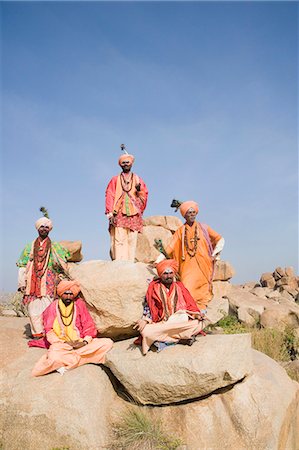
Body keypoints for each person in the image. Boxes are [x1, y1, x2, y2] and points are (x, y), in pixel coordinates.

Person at [32, 280, 113, 377]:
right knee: (54, 356)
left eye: (71, 294)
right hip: (62, 344)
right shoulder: (53, 306)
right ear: (61, 294)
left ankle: (68, 359)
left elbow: (88, 325)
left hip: (80, 343)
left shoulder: (79, 304)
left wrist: (84, 342)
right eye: (66, 293)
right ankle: (79, 358)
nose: (69, 296)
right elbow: (49, 330)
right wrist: (63, 343)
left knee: (108, 343)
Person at [156, 200, 224, 311]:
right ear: (184, 215)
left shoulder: (204, 228)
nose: (192, 214)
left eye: (193, 212)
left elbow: (220, 239)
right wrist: (158, 259)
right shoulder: (180, 231)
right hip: (187, 267)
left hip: (204, 265)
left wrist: (215, 254)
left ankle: (202, 312)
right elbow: (170, 247)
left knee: (203, 289)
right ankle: (191, 311)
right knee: (188, 288)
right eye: (189, 213)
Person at [134, 259, 207, 355]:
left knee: (198, 323)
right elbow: (150, 307)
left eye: (170, 273)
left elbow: (190, 306)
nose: (168, 276)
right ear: (160, 275)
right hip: (163, 323)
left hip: (180, 321)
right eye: (165, 273)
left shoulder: (180, 286)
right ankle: (180, 339)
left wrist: (197, 316)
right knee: (146, 331)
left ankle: (167, 340)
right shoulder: (154, 287)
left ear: (174, 273)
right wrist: (145, 320)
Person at [16, 211, 70, 338]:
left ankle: (48, 333)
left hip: (49, 280)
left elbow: (64, 259)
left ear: (49, 230)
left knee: (48, 307)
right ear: (38, 228)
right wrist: (21, 282)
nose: (44, 229)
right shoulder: (29, 246)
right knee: (33, 308)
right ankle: (37, 333)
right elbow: (22, 265)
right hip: (31, 280)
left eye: (47, 227)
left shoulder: (55, 246)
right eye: (42, 227)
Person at [105, 147, 148, 261]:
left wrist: (139, 191)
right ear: (120, 165)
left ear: (131, 164)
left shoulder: (138, 179)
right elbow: (110, 194)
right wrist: (109, 212)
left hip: (133, 212)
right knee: (119, 238)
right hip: (118, 212)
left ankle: (130, 262)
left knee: (132, 239)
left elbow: (144, 194)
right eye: (123, 163)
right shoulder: (115, 179)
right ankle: (120, 262)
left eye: (127, 162)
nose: (125, 164)